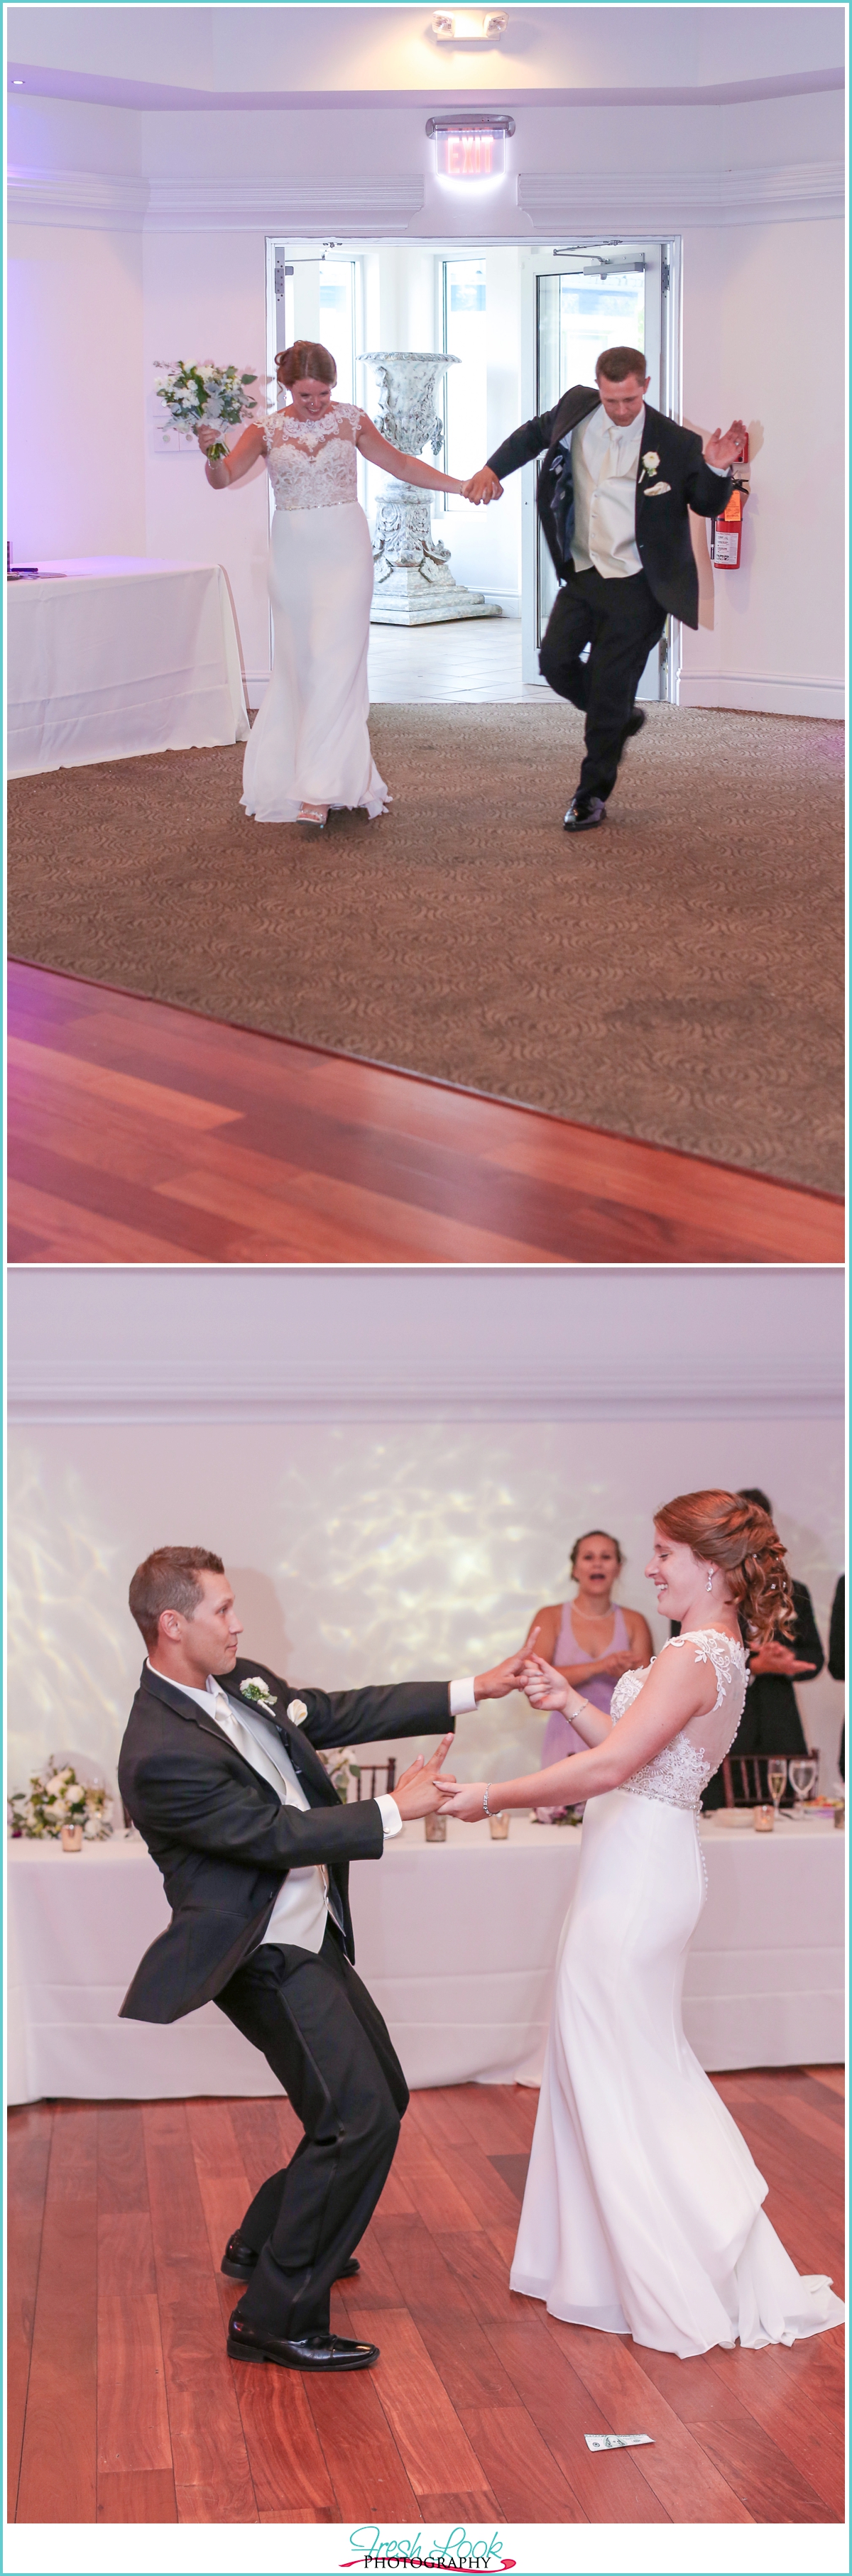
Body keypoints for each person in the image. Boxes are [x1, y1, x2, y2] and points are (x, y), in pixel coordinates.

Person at [437, 1492, 844, 2356]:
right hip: (640, 1859)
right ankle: (612, 2265)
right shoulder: (707, 1651)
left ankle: (672, 2267)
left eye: (663, 1552)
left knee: (620, 2064)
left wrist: (489, 1795)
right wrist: (566, 1700)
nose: (649, 1566)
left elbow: (615, 1765)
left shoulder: (697, 1651)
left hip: (637, 1876)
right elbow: (634, 1748)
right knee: (618, 2061)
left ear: (711, 1564)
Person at [118, 1544, 528, 2375]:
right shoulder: (159, 1749)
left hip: (313, 1933)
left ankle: (263, 2241)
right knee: (357, 2119)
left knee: (381, 2096)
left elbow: (329, 1711)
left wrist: (471, 1689)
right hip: (261, 1950)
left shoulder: (236, 1681)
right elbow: (273, 1836)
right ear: (173, 1625)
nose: (239, 1623)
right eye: (223, 1609)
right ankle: (275, 2314)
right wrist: (393, 1809)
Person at [462, 345, 747, 832]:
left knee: (611, 689)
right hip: (584, 572)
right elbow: (532, 435)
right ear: (599, 387)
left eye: (630, 400)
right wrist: (492, 468)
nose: (620, 410)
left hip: (639, 584)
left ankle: (590, 796)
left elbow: (704, 503)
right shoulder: (576, 406)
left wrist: (719, 468)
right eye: (612, 400)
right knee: (553, 662)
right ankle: (615, 713)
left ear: (645, 387)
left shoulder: (674, 442)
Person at [199, 339, 471, 829]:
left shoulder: (351, 420)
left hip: (345, 549)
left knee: (335, 660)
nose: (316, 403)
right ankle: (307, 774)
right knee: (301, 664)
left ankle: (321, 789)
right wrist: (211, 449)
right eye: (306, 395)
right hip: (293, 553)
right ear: (287, 388)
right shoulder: (266, 429)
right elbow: (223, 478)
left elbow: (402, 464)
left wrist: (460, 485)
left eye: (323, 393)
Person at [697, 1487, 824, 1809]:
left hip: (780, 1724)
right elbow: (693, 1656)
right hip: (724, 1729)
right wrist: (754, 1665)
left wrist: (785, 1660)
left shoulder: (795, 1592)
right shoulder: (706, 1590)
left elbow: (815, 1658)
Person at [522, 1528, 651, 1785]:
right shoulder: (550, 1617)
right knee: (561, 1816)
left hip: (619, 1737)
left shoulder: (635, 1621)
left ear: (618, 1568)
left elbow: (651, 1690)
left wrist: (629, 1672)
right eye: (588, 1557)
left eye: (606, 1557)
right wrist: (600, 1667)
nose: (597, 1564)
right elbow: (533, 1678)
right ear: (574, 1569)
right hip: (565, 1731)